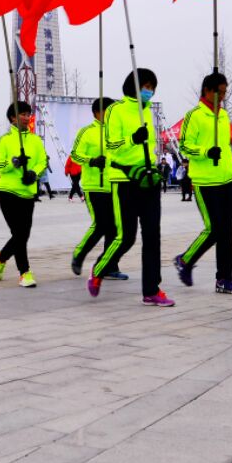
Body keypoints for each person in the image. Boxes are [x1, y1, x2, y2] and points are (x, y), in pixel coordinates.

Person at [90, 69, 173, 306]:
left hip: (148, 179)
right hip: (124, 181)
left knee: (152, 235)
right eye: (146, 86)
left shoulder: (146, 110)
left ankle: (151, 290)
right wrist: (132, 139)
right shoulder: (116, 110)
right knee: (126, 237)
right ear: (133, 86)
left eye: (152, 87)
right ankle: (99, 269)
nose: (149, 91)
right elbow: (110, 145)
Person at [176, 72, 232, 293]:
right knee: (214, 229)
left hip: (225, 179)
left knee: (226, 232)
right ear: (207, 91)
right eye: (219, 92)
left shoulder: (223, 116)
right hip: (205, 181)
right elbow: (184, 146)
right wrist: (205, 152)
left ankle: (224, 279)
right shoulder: (194, 115)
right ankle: (185, 259)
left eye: (225, 92)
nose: (222, 96)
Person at [69, 98, 125, 280]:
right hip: (95, 185)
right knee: (101, 224)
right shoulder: (87, 132)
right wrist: (91, 161)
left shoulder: (117, 132)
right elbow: (75, 155)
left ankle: (109, 266)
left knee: (115, 228)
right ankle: (79, 253)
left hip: (115, 184)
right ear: (96, 113)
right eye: (107, 111)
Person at [0, 101, 45, 287]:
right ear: (12, 118)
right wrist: (13, 163)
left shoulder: (36, 140)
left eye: (28, 114)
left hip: (27, 193)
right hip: (8, 191)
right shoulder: (5, 140)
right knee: (19, 233)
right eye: (22, 114)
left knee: (23, 234)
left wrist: (33, 173)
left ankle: (1, 257)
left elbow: (42, 161)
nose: (26, 117)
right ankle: (25, 273)